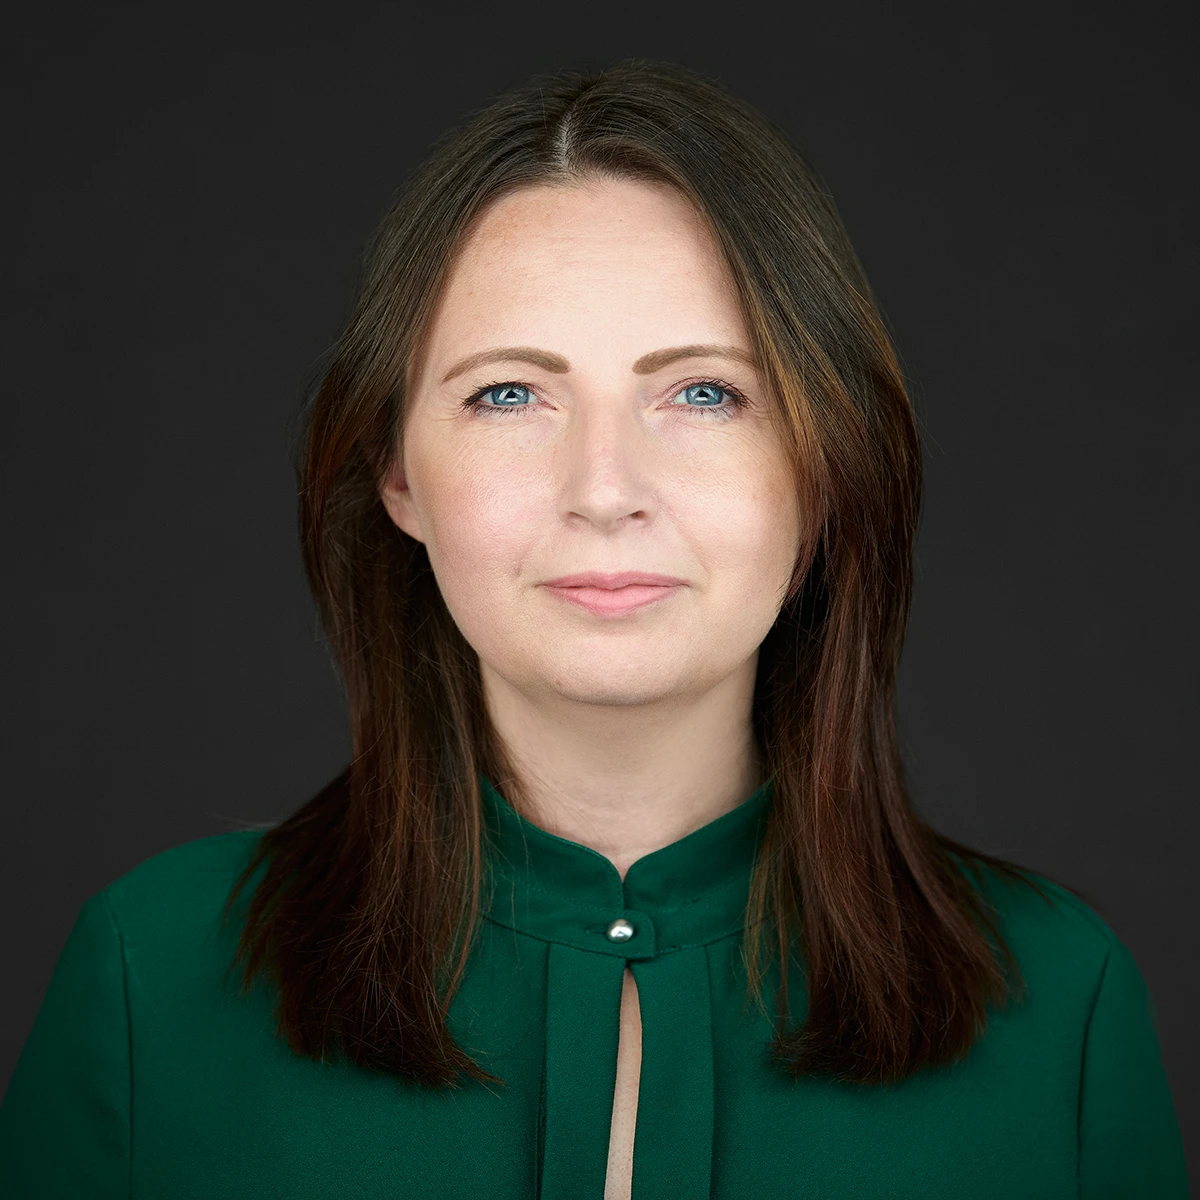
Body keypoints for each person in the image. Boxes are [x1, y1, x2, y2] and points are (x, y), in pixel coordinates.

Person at [0, 58, 1187, 1200]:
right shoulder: (148, 978)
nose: (605, 486)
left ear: (822, 472)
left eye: (706, 393)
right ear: (397, 475)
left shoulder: (1057, 1007)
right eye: (509, 393)